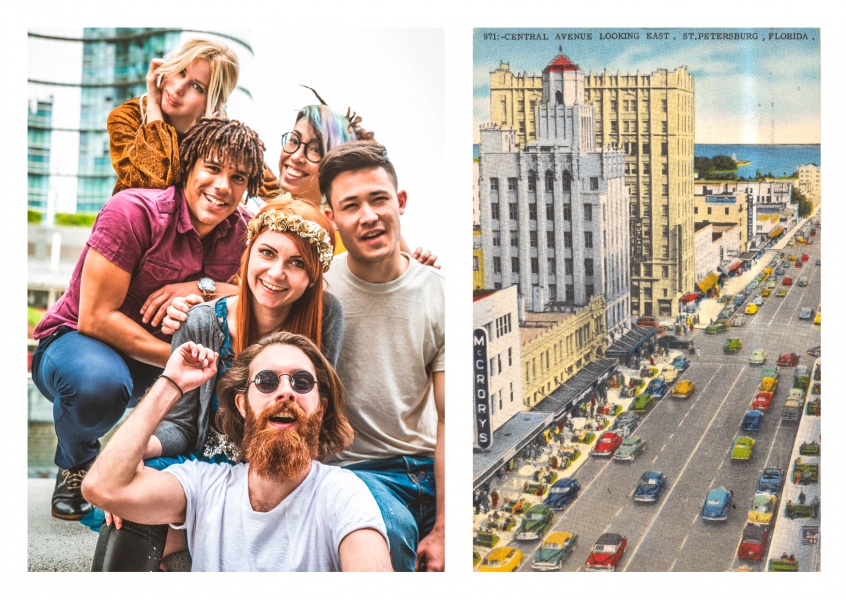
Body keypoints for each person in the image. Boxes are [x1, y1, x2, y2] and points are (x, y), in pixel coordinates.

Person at [87, 196, 343, 569]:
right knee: (126, 511)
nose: (276, 272)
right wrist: (143, 447)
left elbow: (319, 416)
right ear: (249, 253)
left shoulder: (327, 315)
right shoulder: (202, 322)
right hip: (204, 466)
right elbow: (181, 424)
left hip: (279, 467)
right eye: (268, 253)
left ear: (312, 277)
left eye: (297, 263)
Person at [31, 117, 267, 520]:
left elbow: (265, 287)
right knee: (98, 386)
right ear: (189, 165)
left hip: (161, 360)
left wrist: (202, 285)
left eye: (238, 177)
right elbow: (95, 318)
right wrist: (179, 362)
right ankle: (75, 462)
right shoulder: (132, 212)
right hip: (78, 345)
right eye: (212, 168)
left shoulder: (247, 233)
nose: (223, 186)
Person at [82, 333, 392, 572]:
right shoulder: (204, 485)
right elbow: (102, 487)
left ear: (321, 409)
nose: (286, 391)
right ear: (243, 406)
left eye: (302, 382)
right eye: (267, 381)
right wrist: (171, 383)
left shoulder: (343, 494)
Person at [317, 141, 445, 571]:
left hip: (432, 467)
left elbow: (449, 419)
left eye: (378, 199)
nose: (368, 216)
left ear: (400, 202)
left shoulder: (438, 291)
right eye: (350, 206)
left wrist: (445, 527)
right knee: (389, 539)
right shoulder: (317, 291)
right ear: (332, 219)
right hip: (360, 474)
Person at [266, 88, 436, 266]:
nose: (296, 156)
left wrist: (423, 272)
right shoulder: (267, 216)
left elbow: (411, 273)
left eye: (316, 150)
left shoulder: (356, 223)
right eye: (293, 141)